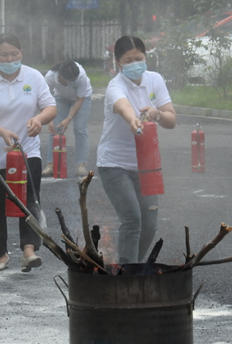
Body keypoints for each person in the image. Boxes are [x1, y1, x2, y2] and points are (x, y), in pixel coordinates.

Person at [0, 33, 57, 272]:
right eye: (4, 55)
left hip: (27, 151)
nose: (10, 59)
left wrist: (39, 119)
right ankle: (0, 254)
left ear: (22, 53)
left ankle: (29, 250)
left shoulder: (33, 76)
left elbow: (50, 106)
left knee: (28, 199)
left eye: (15, 54)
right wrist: (2, 132)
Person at [96, 35, 177, 264]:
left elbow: (171, 120)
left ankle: (133, 268)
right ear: (118, 62)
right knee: (132, 220)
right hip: (115, 165)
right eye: (128, 60)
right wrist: (133, 119)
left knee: (149, 225)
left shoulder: (155, 79)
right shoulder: (116, 86)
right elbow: (123, 108)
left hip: (147, 166)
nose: (134, 64)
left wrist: (156, 113)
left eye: (138, 58)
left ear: (146, 57)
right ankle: (126, 274)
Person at [42, 60, 93, 177]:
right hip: (60, 97)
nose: (70, 83)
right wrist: (49, 118)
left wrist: (69, 118)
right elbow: (45, 96)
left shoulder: (81, 76)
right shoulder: (50, 76)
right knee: (54, 129)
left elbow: (80, 99)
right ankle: (51, 163)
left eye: (72, 81)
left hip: (82, 99)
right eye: (68, 81)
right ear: (60, 76)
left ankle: (81, 163)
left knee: (80, 129)